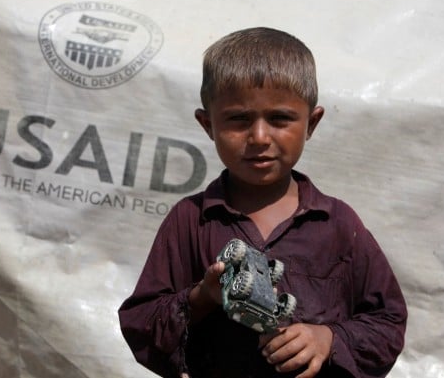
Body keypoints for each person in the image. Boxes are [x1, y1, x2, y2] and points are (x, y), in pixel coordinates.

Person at [118, 27, 407, 378]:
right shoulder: (191, 220)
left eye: (280, 119)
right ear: (207, 124)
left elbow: (387, 322)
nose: (258, 137)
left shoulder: (338, 224)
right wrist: (203, 297)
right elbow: (140, 324)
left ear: (311, 123)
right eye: (238, 119)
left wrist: (329, 338)